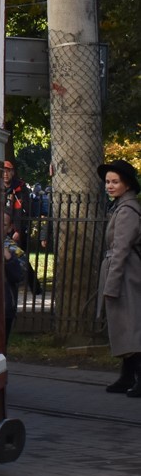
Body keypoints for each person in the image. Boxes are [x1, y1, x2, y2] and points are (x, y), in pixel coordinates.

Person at [97, 159, 141, 394]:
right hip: (123, 273)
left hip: (126, 275)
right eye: (107, 182)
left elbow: (122, 250)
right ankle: (127, 376)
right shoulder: (121, 208)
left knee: (131, 326)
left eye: (115, 182)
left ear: (127, 184)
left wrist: (111, 285)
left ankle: (136, 378)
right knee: (125, 327)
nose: (109, 186)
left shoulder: (127, 211)